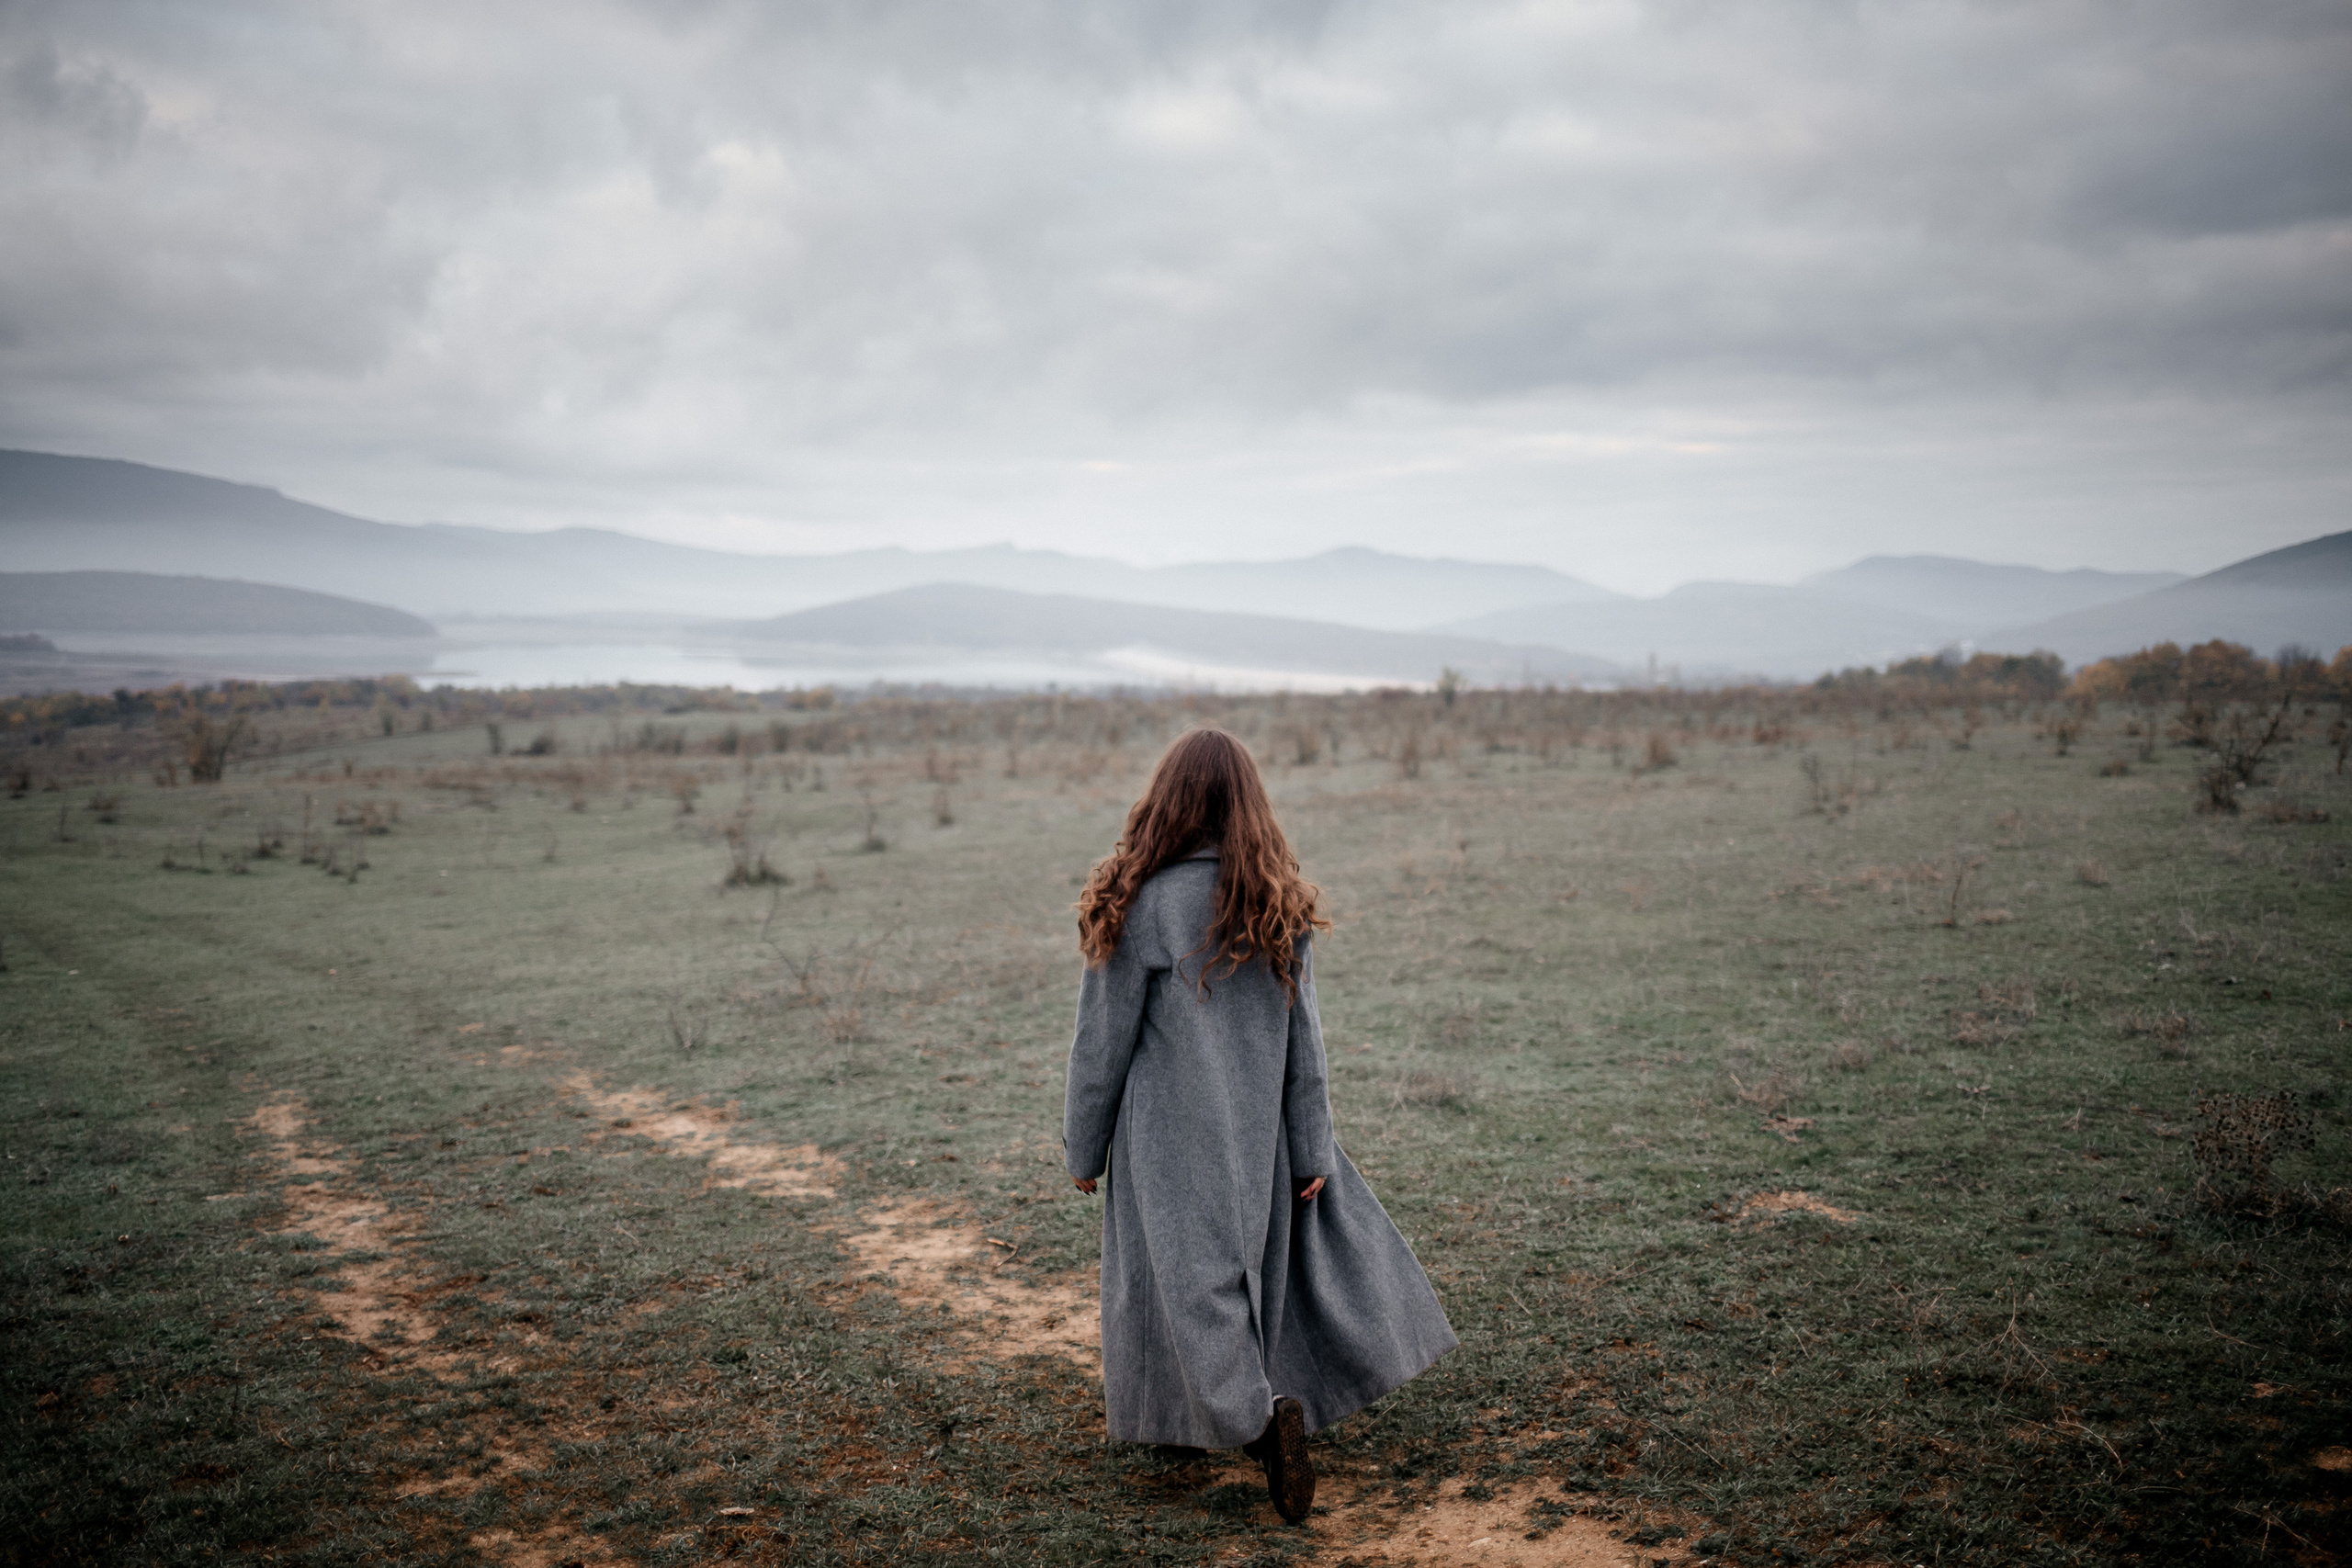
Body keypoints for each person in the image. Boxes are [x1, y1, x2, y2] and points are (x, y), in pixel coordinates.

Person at [1063, 727, 1457, 1523]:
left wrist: (1084, 1143)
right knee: (1245, 1278)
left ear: (1165, 802)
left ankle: (1259, 1420)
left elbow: (1101, 1043)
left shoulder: (1141, 901)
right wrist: (1310, 1146)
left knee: (1183, 1285)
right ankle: (1183, 1419)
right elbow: (1306, 1042)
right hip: (1261, 1134)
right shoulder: (1275, 901)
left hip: (1166, 1138)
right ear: (1248, 804)